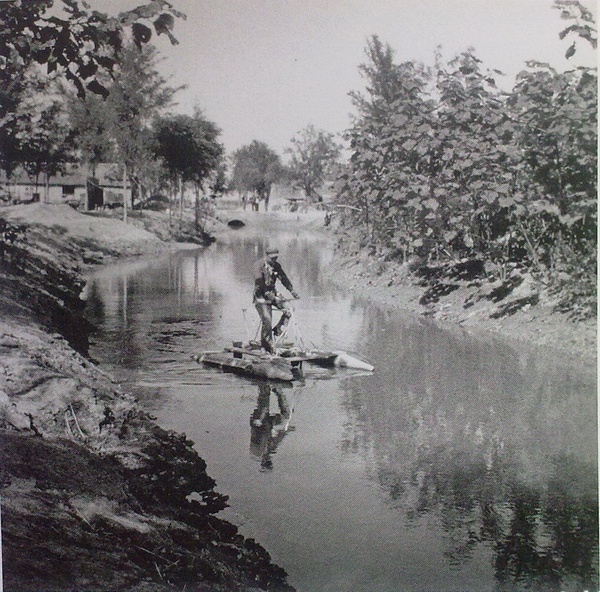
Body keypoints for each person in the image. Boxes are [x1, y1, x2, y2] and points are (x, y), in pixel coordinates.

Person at [253, 246, 299, 353]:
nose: (274, 260)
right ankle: (266, 346)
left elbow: (283, 278)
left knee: (289, 309)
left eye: (276, 258)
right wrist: (273, 298)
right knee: (267, 319)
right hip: (260, 297)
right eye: (272, 258)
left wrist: (292, 290)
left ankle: (277, 329)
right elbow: (260, 285)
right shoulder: (258, 266)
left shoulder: (276, 266)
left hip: (273, 293)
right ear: (267, 256)